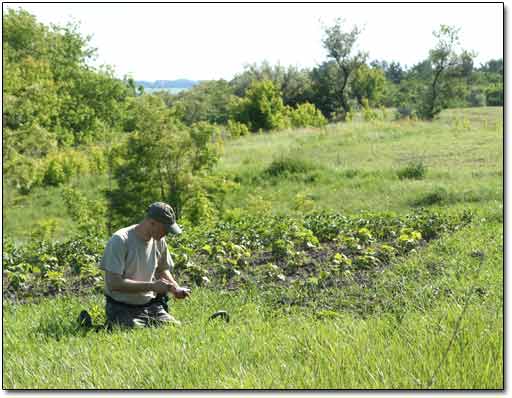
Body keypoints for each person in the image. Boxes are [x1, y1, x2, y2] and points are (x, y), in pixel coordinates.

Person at [100, 202, 191, 328]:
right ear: (152, 222)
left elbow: (162, 270)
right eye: (165, 229)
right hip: (120, 306)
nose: (166, 233)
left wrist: (176, 288)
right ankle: (96, 326)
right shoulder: (120, 240)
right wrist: (152, 286)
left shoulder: (159, 241)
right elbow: (114, 283)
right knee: (133, 329)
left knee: (174, 327)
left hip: (150, 306)